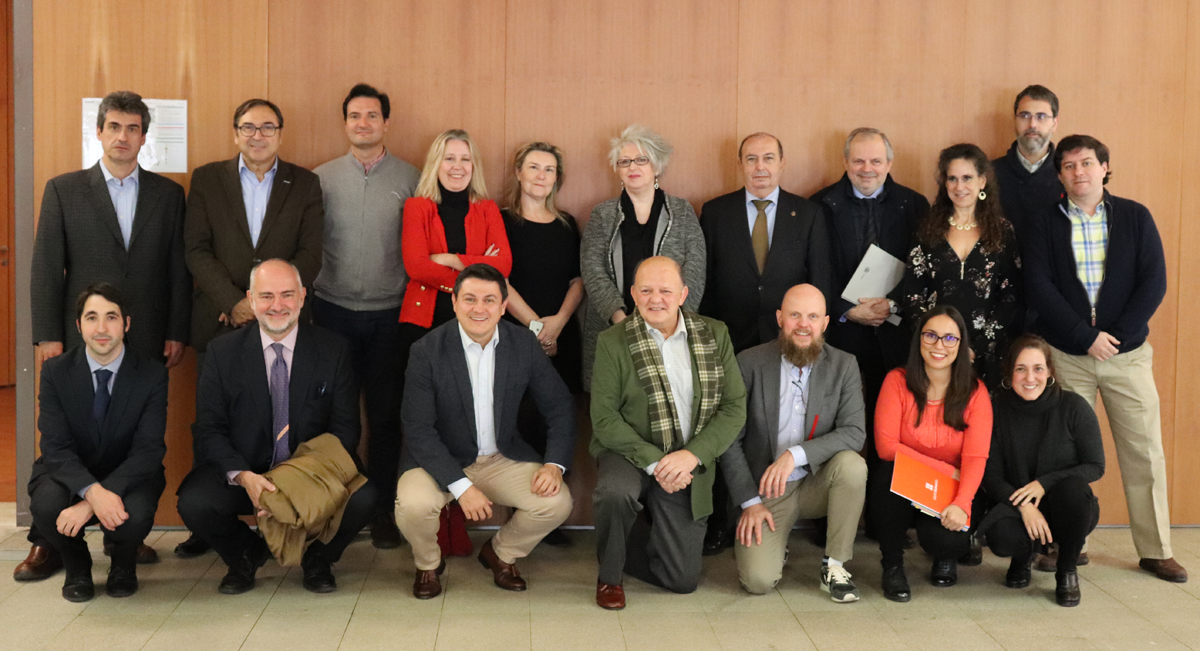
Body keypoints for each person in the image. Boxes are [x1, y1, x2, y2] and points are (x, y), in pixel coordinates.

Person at [23, 90, 186, 579]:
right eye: (114, 126)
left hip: (147, 337)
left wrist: (177, 329)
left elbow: (178, 269)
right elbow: (47, 268)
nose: (122, 136)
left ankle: (124, 536)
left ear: (143, 135)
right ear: (98, 132)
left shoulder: (168, 194)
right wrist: (49, 335)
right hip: (81, 338)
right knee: (68, 434)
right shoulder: (64, 190)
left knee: (129, 433)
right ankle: (47, 539)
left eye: (133, 128)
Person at [1025, 134, 1187, 583]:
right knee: (1063, 453)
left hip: (1127, 356)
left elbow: (1153, 282)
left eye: (1087, 163)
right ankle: (1068, 545)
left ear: (1105, 167)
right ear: (1059, 175)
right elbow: (1039, 285)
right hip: (1067, 354)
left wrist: (1114, 337)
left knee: (1144, 450)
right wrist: (1083, 335)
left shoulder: (1135, 217)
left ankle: (1156, 549)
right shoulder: (1043, 222)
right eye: (1069, 166)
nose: (1079, 172)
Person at [176, 260, 376, 595]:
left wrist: (291, 487)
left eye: (286, 295)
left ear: (301, 298)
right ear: (251, 300)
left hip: (310, 473)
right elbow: (209, 429)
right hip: (248, 473)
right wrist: (242, 476)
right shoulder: (221, 353)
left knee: (365, 497)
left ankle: (318, 558)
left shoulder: (333, 349)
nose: (277, 305)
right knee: (194, 502)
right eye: (267, 296)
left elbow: (345, 431)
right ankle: (246, 554)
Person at [179, 98, 325, 559]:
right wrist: (236, 302)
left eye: (267, 127)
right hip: (223, 321)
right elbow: (196, 249)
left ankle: (290, 508)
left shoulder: (304, 183)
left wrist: (272, 302)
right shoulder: (207, 179)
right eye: (248, 126)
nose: (257, 135)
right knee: (215, 422)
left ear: (281, 133)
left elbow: (311, 254)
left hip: (284, 320)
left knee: (285, 414)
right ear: (234, 132)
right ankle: (213, 526)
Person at [395, 264, 575, 599]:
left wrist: (554, 465)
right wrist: (462, 488)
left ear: (504, 306)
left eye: (489, 300)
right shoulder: (426, 351)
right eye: (470, 299)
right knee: (412, 504)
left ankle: (500, 553)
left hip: (499, 457)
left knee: (557, 502)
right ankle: (428, 565)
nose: (479, 308)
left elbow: (560, 407)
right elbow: (418, 429)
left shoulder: (523, 344)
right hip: (439, 460)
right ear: (454, 302)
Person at [590, 257, 746, 610]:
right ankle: (609, 575)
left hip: (689, 457)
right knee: (616, 492)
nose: (655, 299)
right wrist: (657, 462)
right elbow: (604, 419)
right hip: (628, 451)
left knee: (682, 580)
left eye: (665, 290)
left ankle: (624, 537)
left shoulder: (715, 333)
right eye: (645, 290)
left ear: (683, 294)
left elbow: (734, 407)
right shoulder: (612, 341)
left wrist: (691, 456)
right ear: (632, 293)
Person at [312, 83, 420, 549]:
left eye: (372, 116)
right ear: (345, 123)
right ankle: (333, 508)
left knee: (385, 417)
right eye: (354, 116)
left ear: (386, 123)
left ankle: (381, 510)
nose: (363, 123)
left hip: (390, 316)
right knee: (334, 418)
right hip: (331, 311)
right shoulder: (321, 178)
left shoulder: (413, 178)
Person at [812, 128, 928, 541]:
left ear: (889, 164)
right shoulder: (820, 205)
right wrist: (848, 311)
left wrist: (890, 305)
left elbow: (922, 268)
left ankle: (885, 517)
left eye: (876, 161)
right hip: (841, 333)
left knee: (890, 428)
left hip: (894, 332)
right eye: (859, 161)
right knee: (832, 423)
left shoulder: (914, 205)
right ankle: (826, 515)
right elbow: (815, 270)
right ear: (846, 162)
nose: (867, 169)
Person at [720, 284, 867, 602]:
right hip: (766, 491)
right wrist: (749, 502)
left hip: (819, 482)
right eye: (795, 315)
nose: (804, 324)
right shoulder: (749, 363)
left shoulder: (844, 366)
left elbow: (854, 432)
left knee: (853, 466)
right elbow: (729, 439)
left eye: (812, 316)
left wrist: (794, 455)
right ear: (779, 318)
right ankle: (777, 545)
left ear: (825, 323)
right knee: (758, 581)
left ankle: (835, 566)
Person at [27, 284, 168, 602]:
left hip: (129, 472)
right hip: (69, 468)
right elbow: (55, 447)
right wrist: (92, 491)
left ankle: (123, 565)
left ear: (126, 324)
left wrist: (92, 502)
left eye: (111, 317)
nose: (102, 328)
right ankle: (77, 567)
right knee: (47, 505)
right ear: (79, 326)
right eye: (92, 318)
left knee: (136, 512)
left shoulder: (151, 375)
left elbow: (149, 450)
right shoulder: (55, 372)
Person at [870, 305, 992, 602]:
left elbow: (975, 458)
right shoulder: (897, 381)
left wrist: (962, 503)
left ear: (961, 345)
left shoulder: (975, 392)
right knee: (886, 472)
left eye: (950, 339)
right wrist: (942, 467)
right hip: (906, 480)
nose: (939, 345)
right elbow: (886, 447)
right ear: (919, 340)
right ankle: (893, 565)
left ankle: (943, 555)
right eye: (931, 336)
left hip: (946, 490)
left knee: (948, 541)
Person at [501, 142, 585, 547]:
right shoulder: (500, 221)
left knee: (558, 418)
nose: (540, 175)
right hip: (515, 336)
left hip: (561, 336)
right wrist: (536, 327)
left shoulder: (568, 224)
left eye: (549, 170)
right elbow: (499, 280)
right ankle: (522, 514)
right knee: (520, 420)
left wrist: (559, 323)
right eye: (533, 167)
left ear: (557, 178)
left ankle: (548, 513)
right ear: (517, 172)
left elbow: (577, 280)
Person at [979, 335, 1103, 607]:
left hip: (1066, 505)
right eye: (1020, 369)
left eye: (1038, 368)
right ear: (1009, 372)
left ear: (1049, 373)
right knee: (1001, 538)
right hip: (1016, 503)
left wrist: (1044, 484)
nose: (1029, 378)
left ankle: (1067, 570)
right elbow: (991, 476)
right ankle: (1022, 557)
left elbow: (1095, 466)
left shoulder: (1073, 407)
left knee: (1073, 490)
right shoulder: (995, 409)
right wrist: (1025, 505)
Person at [581, 124, 706, 390]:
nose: (632, 167)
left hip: (670, 332)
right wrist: (620, 320)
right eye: (624, 161)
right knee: (614, 404)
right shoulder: (602, 215)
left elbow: (695, 269)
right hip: (613, 328)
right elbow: (592, 269)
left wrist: (669, 324)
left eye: (641, 159)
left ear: (657, 167)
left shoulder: (682, 212)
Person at [898, 143, 1022, 390]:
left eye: (967, 178)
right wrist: (938, 342)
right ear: (944, 184)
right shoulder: (927, 230)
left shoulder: (1002, 231)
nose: (959, 186)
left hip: (986, 356)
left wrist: (974, 348)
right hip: (934, 354)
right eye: (952, 178)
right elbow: (912, 295)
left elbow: (1011, 295)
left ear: (982, 181)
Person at [699, 132, 832, 353]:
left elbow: (819, 279)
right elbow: (707, 281)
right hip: (730, 338)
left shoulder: (809, 214)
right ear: (740, 164)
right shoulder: (715, 213)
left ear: (782, 163)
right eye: (751, 159)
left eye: (769, 158)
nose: (760, 166)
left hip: (789, 337)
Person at [992, 85, 1064, 241]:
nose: (1032, 124)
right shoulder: (989, 174)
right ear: (1014, 120)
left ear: (1055, 123)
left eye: (1041, 116)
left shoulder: (1068, 175)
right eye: (1024, 115)